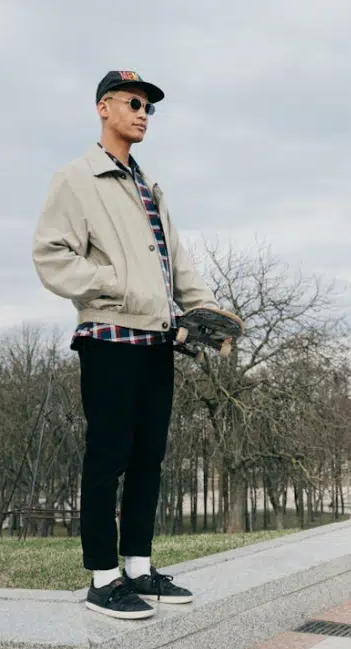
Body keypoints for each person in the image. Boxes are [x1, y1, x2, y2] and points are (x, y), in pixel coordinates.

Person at [32, 70, 219, 620]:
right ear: (103, 108)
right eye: (134, 103)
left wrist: (205, 310)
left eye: (150, 108)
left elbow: (175, 262)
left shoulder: (148, 185)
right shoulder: (75, 178)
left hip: (158, 342)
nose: (143, 114)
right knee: (108, 456)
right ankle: (103, 578)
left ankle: (138, 566)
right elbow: (51, 256)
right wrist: (115, 284)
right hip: (109, 337)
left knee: (149, 460)